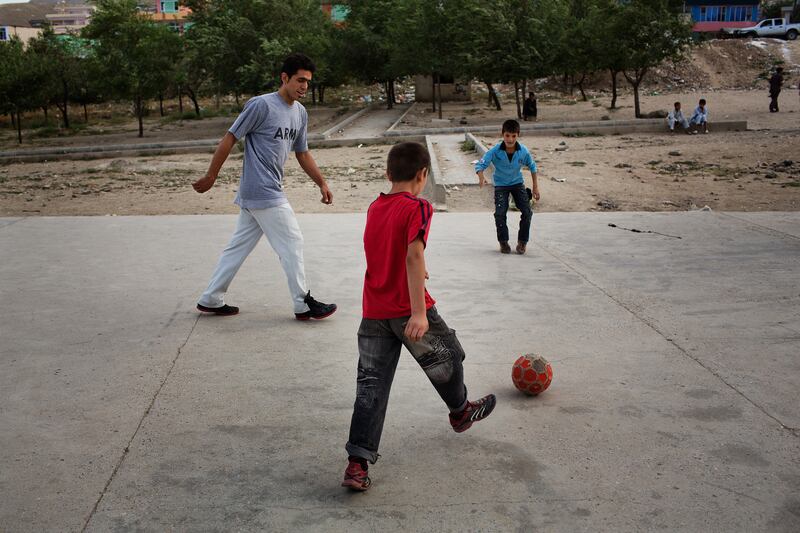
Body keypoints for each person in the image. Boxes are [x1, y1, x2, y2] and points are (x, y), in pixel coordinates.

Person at [342, 142, 497, 492]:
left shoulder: (375, 207)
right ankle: (459, 411)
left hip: (373, 311)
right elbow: (412, 254)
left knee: (371, 388)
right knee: (450, 355)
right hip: (408, 310)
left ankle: (357, 463)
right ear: (423, 175)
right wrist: (418, 313)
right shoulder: (420, 207)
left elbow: (387, 251)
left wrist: (418, 270)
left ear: (387, 173)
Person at [192, 53, 337, 321]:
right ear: (284, 78)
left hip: (259, 192)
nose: (304, 86)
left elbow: (302, 153)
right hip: (263, 190)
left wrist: (322, 183)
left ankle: (211, 297)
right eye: (300, 80)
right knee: (293, 241)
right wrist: (212, 175)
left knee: (238, 247)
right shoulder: (261, 106)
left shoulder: (300, 113)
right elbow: (230, 137)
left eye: (308, 82)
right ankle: (302, 303)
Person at [475, 119, 539, 255]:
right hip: (501, 186)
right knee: (500, 213)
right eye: (507, 136)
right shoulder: (495, 151)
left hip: (517, 184)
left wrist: (535, 188)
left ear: (518, 135)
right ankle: (503, 242)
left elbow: (533, 167)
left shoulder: (523, 151)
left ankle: (522, 242)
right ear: (502, 134)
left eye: (513, 136)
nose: (510, 139)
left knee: (527, 212)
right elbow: (481, 164)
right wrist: (481, 177)